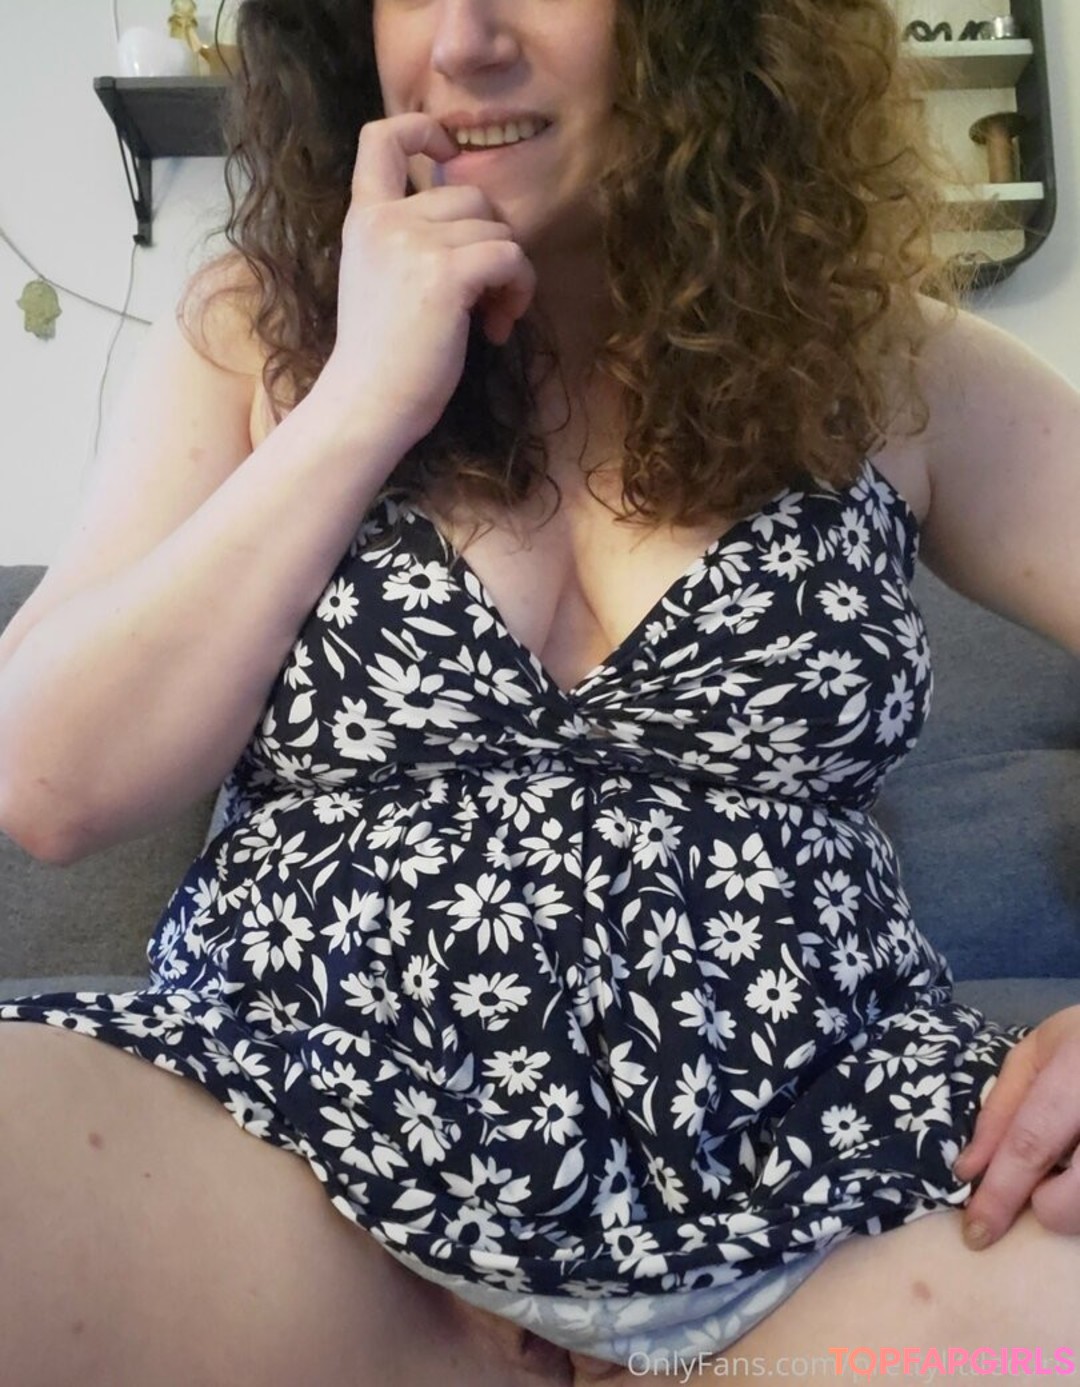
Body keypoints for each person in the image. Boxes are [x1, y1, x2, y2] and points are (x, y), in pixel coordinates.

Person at [0, 0, 1078, 1382]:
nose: (462, 40)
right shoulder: (254, 333)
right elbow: (48, 783)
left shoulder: (887, 365)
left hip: (838, 1221)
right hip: (300, 1182)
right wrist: (365, 392)